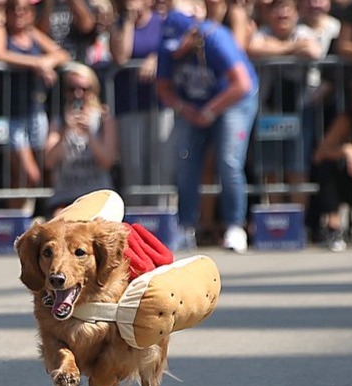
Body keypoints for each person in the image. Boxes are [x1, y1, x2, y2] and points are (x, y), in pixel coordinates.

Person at [155, 0, 259, 253]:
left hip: (233, 102)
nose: (176, 51)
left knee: (228, 160)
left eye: (180, 43)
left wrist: (211, 111)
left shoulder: (216, 39)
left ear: (192, 34)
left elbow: (242, 84)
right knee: (187, 162)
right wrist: (183, 108)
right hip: (194, 106)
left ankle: (235, 227)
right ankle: (186, 227)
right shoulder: (167, 48)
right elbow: (163, 88)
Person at [0, 0, 70, 209]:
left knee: (42, 172)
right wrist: (37, 64)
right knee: (27, 174)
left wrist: (47, 62)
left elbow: (62, 54)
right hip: (10, 114)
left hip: (34, 111)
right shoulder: (0, 30)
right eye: (14, 9)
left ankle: (25, 221)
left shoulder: (32, 33)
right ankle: (12, 223)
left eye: (24, 9)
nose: (19, 13)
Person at [248, 0, 321, 207]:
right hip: (268, 112)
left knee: (297, 168)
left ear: (296, 13)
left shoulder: (304, 32)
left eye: (286, 9)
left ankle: (297, 222)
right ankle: (276, 220)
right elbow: (254, 49)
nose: (282, 14)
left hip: (300, 111)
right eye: (276, 10)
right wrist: (292, 49)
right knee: (270, 170)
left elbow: (313, 51)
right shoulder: (261, 33)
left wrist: (276, 50)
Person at [109, 0, 173, 207]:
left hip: (160, 105)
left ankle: (160, 216)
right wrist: (128, 22)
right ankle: (137, 219)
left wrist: (156, 59)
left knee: (161, 164)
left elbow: (172, 50)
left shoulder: (162, 22)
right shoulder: (118, 24)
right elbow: (121, 56)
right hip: (129, 106)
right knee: (133, 166)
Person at [44, 62, 117, 217]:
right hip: (66, 195)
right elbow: (48, 162)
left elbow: (107, 162)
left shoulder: (104, 120)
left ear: (93, 91)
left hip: (97, 194)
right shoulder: (59, 122)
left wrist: (89, 134)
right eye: (72, 89)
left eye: (84, 89)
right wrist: (65, 132)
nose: (78, 94)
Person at [312, 80, 352, 251]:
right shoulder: (347, 121)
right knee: (327, 167)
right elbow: (319, 153)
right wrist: (346, 149)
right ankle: (333, 226)